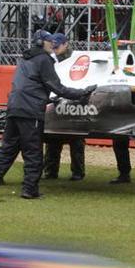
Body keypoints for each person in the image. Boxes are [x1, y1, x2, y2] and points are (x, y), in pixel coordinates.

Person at [0, 30, 96, 199]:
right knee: (33, 152)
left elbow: (28, 85)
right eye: (49, 41)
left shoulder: (25, 59)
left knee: (6, 150)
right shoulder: (44, 60)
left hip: (14, 108)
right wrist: (82, 93)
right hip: (31, 112)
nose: (52, 44)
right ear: (41, 43)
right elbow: (57, 87)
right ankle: (29, 190)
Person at [42, 33, 86, 181]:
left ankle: (78, 172)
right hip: (58, 99)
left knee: (76, 139)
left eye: (57, 46)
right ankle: (50, 171)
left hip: (74, 100)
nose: (54, 49)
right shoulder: (51, 60)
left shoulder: (77, 59)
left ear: (65, 44)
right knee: (53, 139)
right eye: (53, 46)